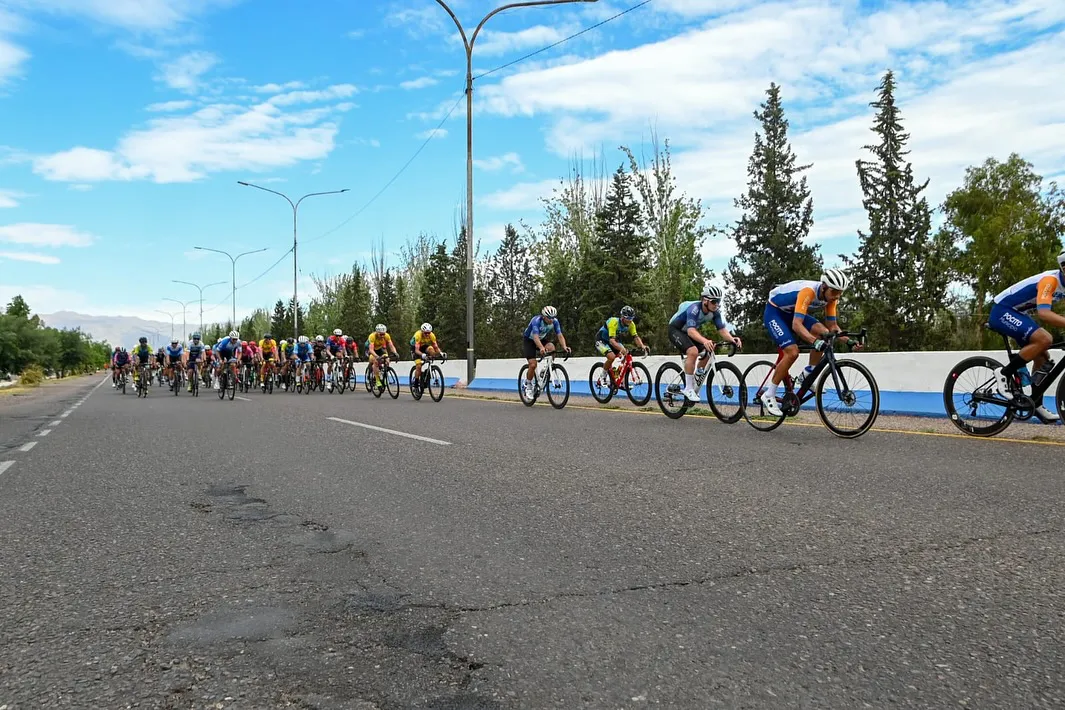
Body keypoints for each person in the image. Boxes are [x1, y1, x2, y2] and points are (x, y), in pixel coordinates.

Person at [760, 269, 851, 417]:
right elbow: (797, 325)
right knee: (792, 352)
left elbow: (832, 327)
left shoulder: (831, 299)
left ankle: (808, 372)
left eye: (840, 292)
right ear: (824, 287)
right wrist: (814, 342)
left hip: (791, 313)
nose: (837, 296)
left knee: (825, 333)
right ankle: (769, 394)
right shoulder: (808, 292)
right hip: (775, 312)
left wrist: (849, 341)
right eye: (834, 292)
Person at [987, 249, 1065, 421]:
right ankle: (1004, 373)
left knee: (1043, 358)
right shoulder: (1050, 281)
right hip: (1002, 311)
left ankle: (1035, 403)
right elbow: (1044, 313)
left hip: (1019, 314)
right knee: (1045, 339)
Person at [667, 288, 743, 403]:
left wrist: (733, 339)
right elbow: (691, 331)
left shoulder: (715, 312)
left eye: (718, 301)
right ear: (705, 300)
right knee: (693, 351)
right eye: (713, 301)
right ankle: (688, 388)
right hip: (676, 330)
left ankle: (695, 379)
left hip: (688, 331)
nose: (716, 304)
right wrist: (705, 341)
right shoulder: (694, 309)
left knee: (708, 351)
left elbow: (722, 330)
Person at [521, 306, 570, 399]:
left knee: (552, 347)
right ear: (544, 316)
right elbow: (535, 337)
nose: (551, 320)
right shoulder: (536, 321)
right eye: (549, 318)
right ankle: (528, 384)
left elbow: (559, 335)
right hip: (529, 340)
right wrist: (541, 348)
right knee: (532, 365)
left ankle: (546, 369)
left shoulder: (555, 322)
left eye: (553, 317)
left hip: (541, 339)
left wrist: (564, 346)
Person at [594, 306, 648, 387]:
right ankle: (603, 377)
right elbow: (612, 341)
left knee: (626, 357)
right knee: (611, 357)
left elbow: (636, 337)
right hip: (602, 340)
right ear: (622, 317)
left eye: (631, 318)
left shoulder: (631, 324)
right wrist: (622, 349)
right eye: (628, 318)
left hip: (613, 340)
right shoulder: (613, 322)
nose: (630, 320)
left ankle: (621, 381)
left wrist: (643, 346)